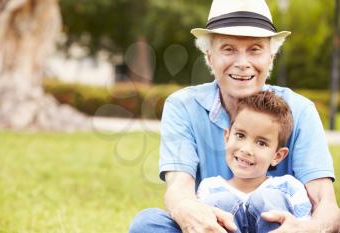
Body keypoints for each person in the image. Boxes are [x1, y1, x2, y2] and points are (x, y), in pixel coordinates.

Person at [129, 0, 340, 232]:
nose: (242, 63)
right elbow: (178, 189)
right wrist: (192, 213)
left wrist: (304, 230)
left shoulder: (300, 110)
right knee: (148, 223)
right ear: (209, 56)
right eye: (228, 49)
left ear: (271, 57)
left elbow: (326, 206)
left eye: (255, 49)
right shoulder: (183, 106)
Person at [197, 91, 312, 233]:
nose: (246, 149)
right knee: (220, 202)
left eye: (261, 143)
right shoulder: (210, 188)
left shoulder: (289, 187)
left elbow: (304, 227)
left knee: (267, 197)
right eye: (240, 135)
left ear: (277, 156)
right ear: (227, 138)